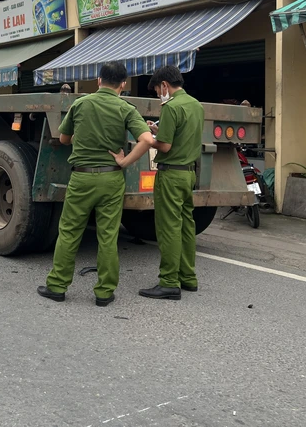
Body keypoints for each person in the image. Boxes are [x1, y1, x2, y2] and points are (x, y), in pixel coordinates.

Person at [38, 62, 154, 307]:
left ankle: (57, 286)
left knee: (69, 232)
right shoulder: (126, 108)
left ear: (99, 81)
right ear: (123, 84)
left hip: (81, 177)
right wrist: (124, 162)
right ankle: (104, 293)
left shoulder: (80, 104)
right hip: (111, 179)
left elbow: (63, 138)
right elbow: (146, 140)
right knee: (108, 236)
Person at [139, 65, 204, 301]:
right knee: (187, 225)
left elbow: (164, 146)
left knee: (169, 228)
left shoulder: (171, 107)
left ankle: (168, 282)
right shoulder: (196, 105)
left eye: (157, 90)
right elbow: (182, 135)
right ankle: (188, 277)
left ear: (164, 85)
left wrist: (148, 137)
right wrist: (159, 129)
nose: (158, 95)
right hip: (189, 174)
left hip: (171, 174)